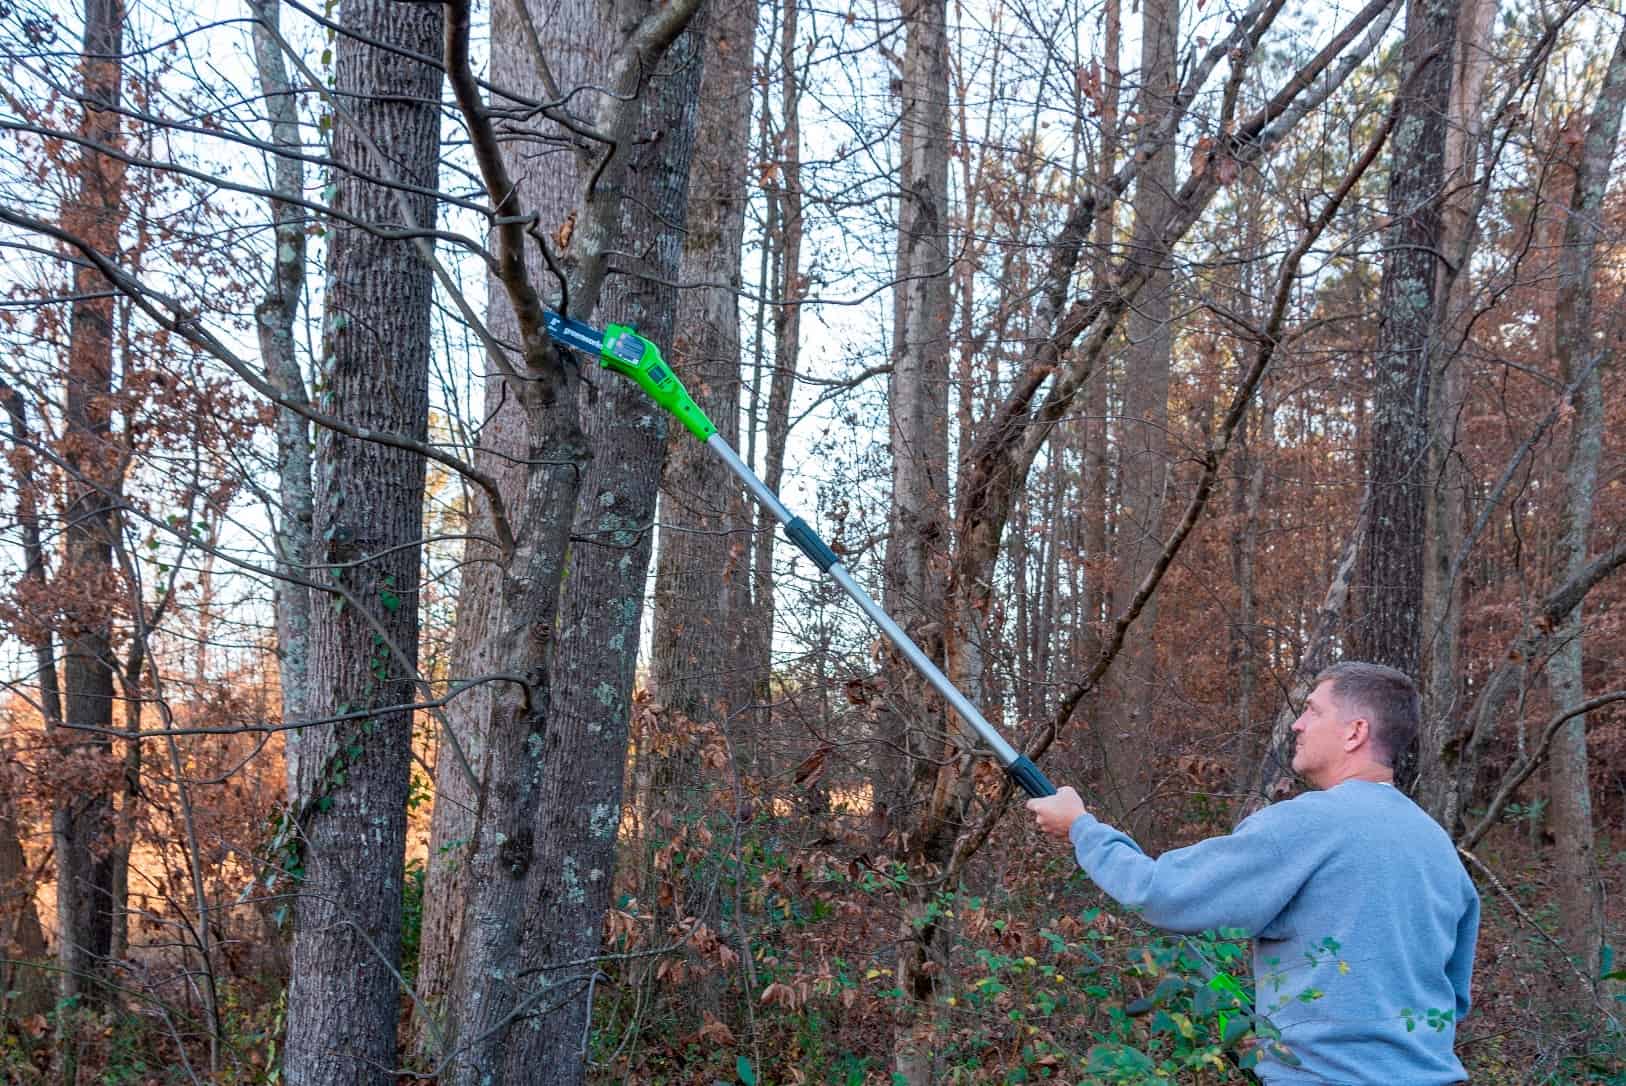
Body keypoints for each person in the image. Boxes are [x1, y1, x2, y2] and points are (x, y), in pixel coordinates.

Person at [1027, 662, 1479, 1084]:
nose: (1298, 723)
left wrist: (1081, 829)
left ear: (1354, 732)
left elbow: (1161, 893)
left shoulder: (1308, 823)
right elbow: (1452, 1000)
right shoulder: (1436, 845)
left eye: (1312, 711)